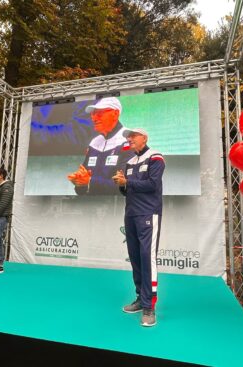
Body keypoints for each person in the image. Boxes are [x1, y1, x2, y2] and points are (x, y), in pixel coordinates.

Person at [112, 128, 165, 327]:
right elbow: (128, 191)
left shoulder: (156, 157)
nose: (130, 139)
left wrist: (129, 181)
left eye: (133, 136)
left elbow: (152, 184)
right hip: (131, 214)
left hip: (149, 213)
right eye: (128, 136)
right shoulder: (129, 162)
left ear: (145, 138)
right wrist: (121, 184)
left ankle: (149, 307)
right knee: (135, 258)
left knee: (147, 257)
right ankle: (139, 299)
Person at [67, 97, 134, 195]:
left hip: (118, 206)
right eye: (93, 114)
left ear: (115, 114)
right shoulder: (94, 142)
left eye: (100, 113)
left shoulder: (130, 139)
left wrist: (89, 181)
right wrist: (79, 181)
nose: (94, 118)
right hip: (90, 205)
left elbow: (126, 184)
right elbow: (83, 184)